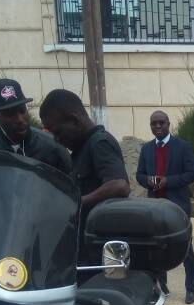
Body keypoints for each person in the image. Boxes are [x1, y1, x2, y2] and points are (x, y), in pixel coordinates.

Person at [39, 89, 130, 257]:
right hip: (85, 245)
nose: (57, 140)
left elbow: (119, 185)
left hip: (101, 250)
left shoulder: (99, 143)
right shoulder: (82, 150)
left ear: (74, 120)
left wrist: (75, 203)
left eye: (58, 132)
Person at [136, 110, 194, 304]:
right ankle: (162, 286)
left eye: (161, 123)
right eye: (154, 124)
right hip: (155, 207)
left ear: (168, 124)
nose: (158, 127)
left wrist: (168, 181)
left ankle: (191, 289)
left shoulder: (183, 147)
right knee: (157, 248)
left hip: (177, 206)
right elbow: (139, 175)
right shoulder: (146, 149)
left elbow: (192, 174)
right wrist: (149, 180)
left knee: (185, 247)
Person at [0, 79, 72, 174]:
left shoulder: (53, 147)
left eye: (22, 111)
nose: (19, 119)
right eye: (10, 114)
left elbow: (72, 186)